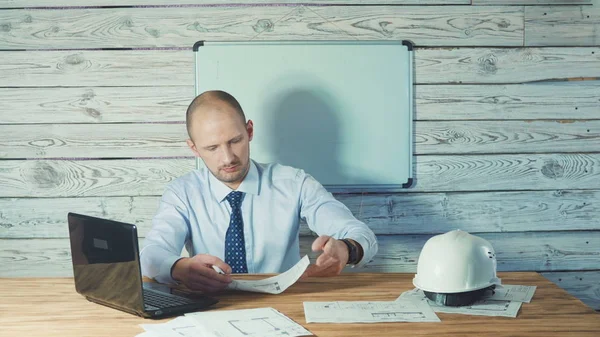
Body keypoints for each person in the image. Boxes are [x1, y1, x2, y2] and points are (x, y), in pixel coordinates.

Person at [140, 90, 378, 293]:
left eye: (235, 140)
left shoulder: (294, 182)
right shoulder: (182, 192)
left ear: (250, 131)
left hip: (285, 304)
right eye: (212, 147)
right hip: (212, 308)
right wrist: (178, 268)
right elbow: (152, 254)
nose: (228, 157)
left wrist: (348, 249)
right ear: (194, 148)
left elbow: (358, 232)